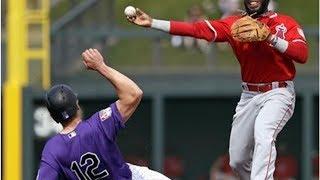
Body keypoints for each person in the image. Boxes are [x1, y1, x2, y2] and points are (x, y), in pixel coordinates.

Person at [127, 0, 308, 179]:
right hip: (249, 95)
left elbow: (302, 54)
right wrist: (153, 23)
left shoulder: (285, 22)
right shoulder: (234, 24)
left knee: (264, 133)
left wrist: (270, 38)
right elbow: (197, 30)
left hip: (278, 92)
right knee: (237, 160)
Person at [37, 48, 170, 180]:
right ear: (77, 105)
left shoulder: (53, 149)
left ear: (54, 117)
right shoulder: (97, 126)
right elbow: (134, 94)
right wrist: (101, 66)